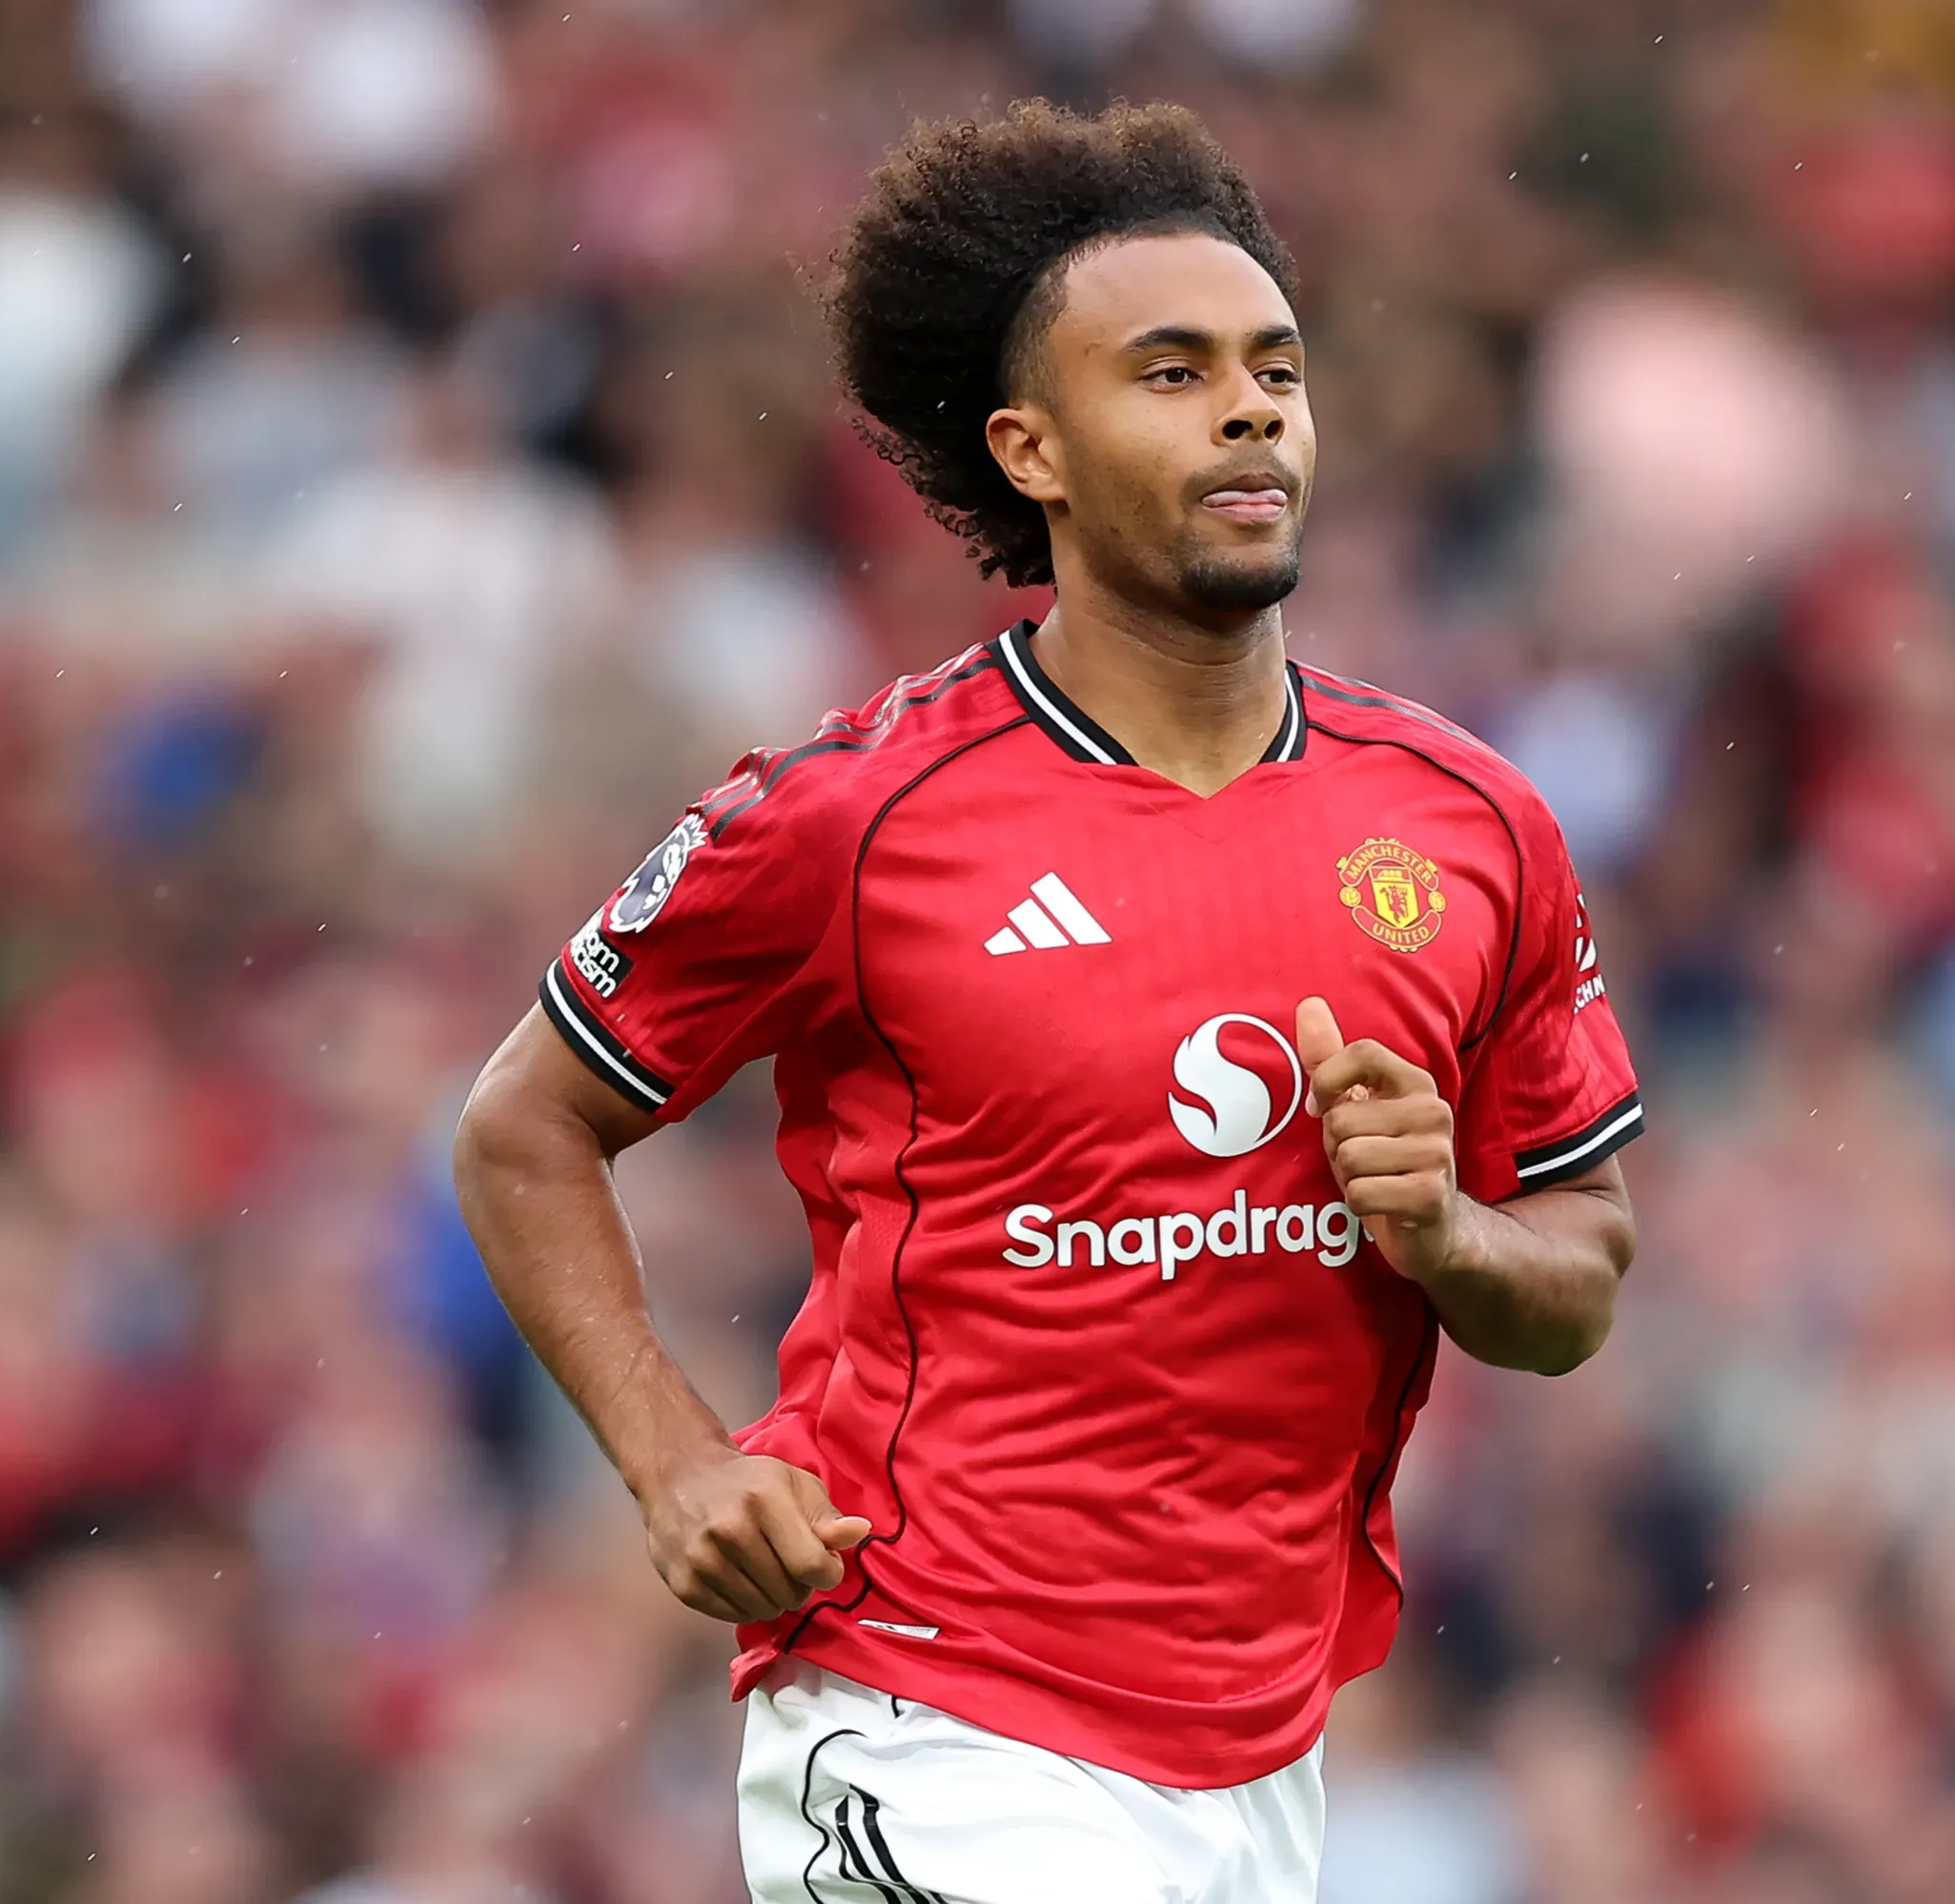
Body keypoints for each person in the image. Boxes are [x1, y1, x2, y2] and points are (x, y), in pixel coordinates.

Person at [452, 99, 1644, 1904]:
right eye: (1172, 373)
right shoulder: (852, 815)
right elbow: (525, 1123)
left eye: (1275, 368)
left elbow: (1578, 1281)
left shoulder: (1469, 823)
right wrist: (673, 1460)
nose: (1250, 408)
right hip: (929, 1699)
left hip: (1259, 1744)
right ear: (1034, 449)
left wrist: (1450, 1234)